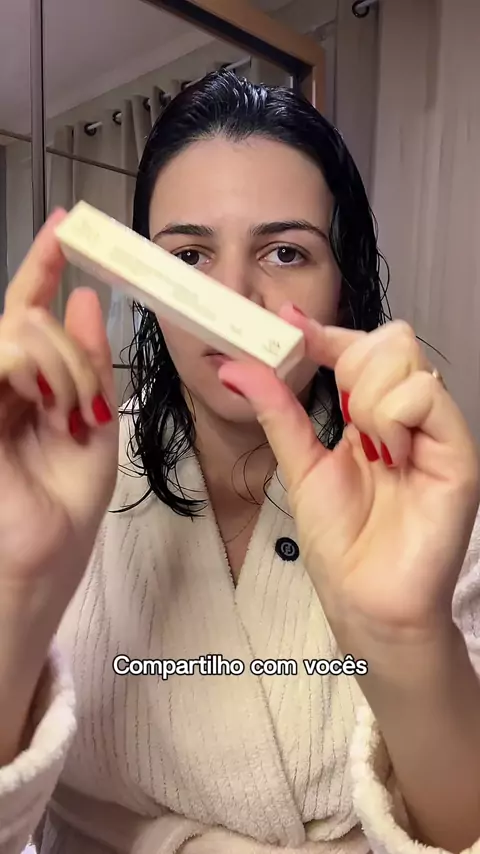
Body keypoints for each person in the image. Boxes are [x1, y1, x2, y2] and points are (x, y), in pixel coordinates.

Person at [1, 70, 480, 854]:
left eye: (286, 252)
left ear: (342, 283)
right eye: (189, 255)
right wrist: (16, 590)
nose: (234, 297)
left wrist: (405, 638)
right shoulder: (47, 479)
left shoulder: (420, 496)